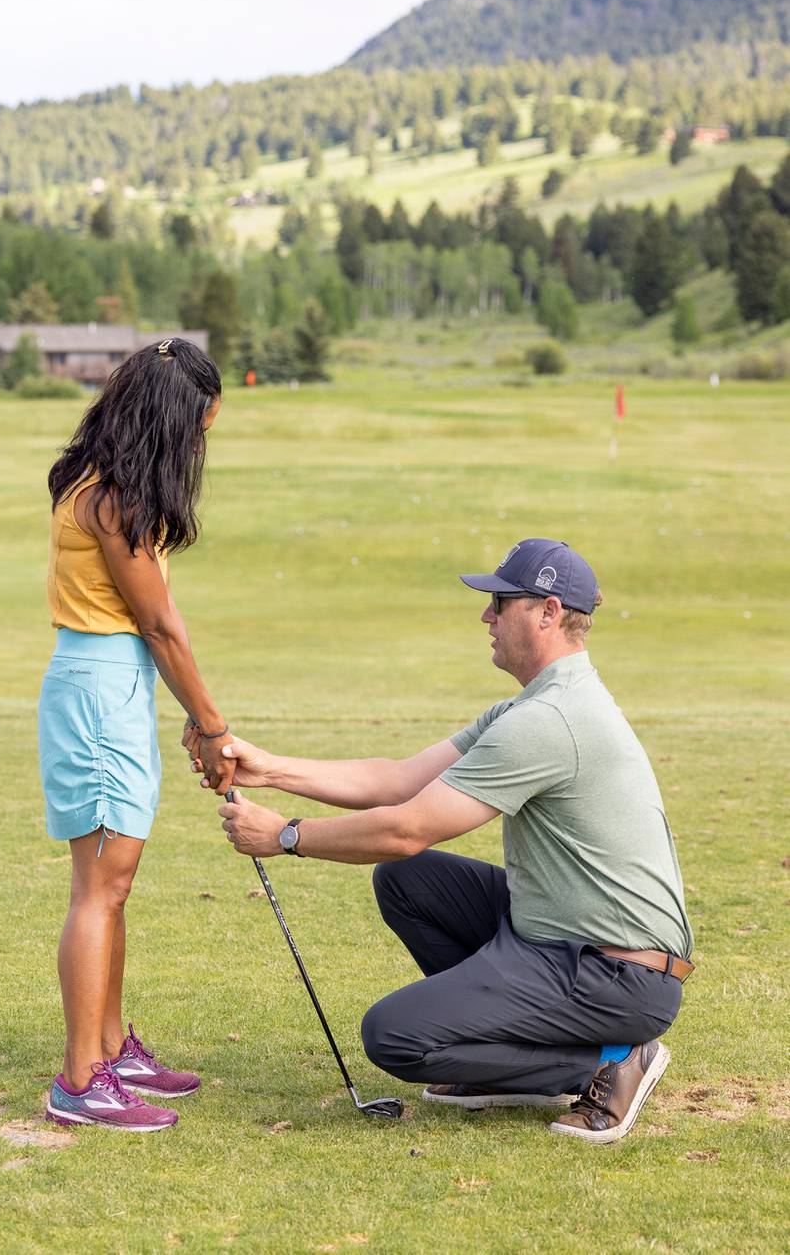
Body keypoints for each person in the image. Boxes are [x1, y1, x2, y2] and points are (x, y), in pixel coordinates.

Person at [208, 539, 693, 1144]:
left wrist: (285, 836)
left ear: (546, 611)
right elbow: (397, 781)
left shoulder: (550, 721)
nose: (486, 617)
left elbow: (406, 828)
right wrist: (270, 768)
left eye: (499, 602)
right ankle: (503, 1061)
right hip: (561, 938)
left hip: (615, 975)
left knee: (394, 1036)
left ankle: (611, 1065)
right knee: (409, 884)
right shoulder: (532, 706)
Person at [40, 338, 233, 1132]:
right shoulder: (114, 500)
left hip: (109, 689)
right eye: (199, 429)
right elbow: (158, 624)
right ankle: (81, 1079)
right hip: (99, 697)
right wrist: (212, 725)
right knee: (101, 888)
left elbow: (154, 629)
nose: (200, 446)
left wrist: (189, 710)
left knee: (111, 887)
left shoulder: (103, 485)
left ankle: (111, 1049)